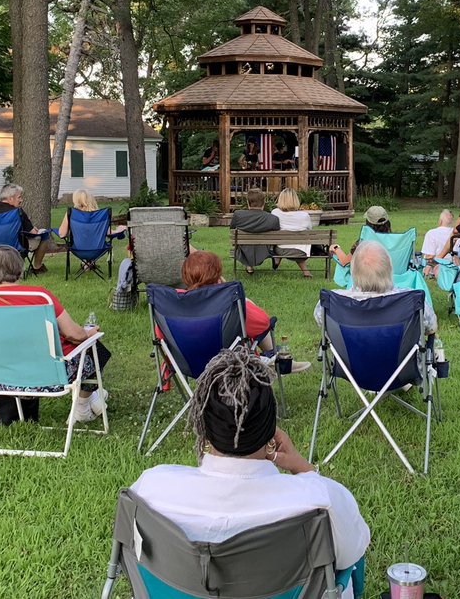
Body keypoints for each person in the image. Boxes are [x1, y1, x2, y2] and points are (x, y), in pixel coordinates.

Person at [129, 350, 369, 599]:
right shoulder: (319, 500)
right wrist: (305, 469)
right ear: (271, 429)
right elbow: (353, 551)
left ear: (203, 426)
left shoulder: (149, 490)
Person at [0, 246, 111, 425]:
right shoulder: (38, 296)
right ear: (18, 269)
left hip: (2, 380)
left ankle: (91, 401)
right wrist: (88, 333)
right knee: (95, 348)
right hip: (49, 378)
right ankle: (83, 406)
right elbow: (74, 334)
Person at [180, 251, 309, 373]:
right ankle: (271, 354)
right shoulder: (230, 305)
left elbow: (162, 338)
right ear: (218, 277)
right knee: (245, 309)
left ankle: (270, 355)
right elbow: (263, 323)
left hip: (187, 363)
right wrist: (227, 292)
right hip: (229, 361)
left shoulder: (175, 305)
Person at [315, 242, 437, 336]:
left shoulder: (331, 302)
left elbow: (322, 323)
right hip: (403, 366)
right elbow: (431, 328)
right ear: (389, 269)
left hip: (348, 367)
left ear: (353, 272)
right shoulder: (412, 301)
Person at [0, 183, 53, 274]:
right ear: (11, 198)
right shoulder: (17, 212)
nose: (21, 200)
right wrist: (34, 230)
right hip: (15, 249)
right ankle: (37, 267)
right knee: (44, 233)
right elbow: (33, 233)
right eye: (19, 197)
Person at [230, 189, 279, 274]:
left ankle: (249, 265)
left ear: (248, 203)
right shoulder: (273, 219)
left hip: (243, 250)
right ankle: (250, 265)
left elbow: (232, 228)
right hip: (264, 251)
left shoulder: (238, 215)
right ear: (263, 203)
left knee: (244, 244)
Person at [271, 188, 314, 278]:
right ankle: (306, 272)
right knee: (298, 244)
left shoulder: (275, 213)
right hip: (302, 252)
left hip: (281, 250)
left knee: (279, 241)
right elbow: (310, 230)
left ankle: (277, 259)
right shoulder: (304, 215)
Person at [56, 189, 126, 241]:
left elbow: (62, 234)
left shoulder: (72, 213)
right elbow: (109, 233)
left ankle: (86, 261)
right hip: (98, 249)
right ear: (91, 199)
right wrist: (119, 230)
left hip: (78, 249)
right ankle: (90, 261)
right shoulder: (100, 215)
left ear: (75, 200)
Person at [421, 210, 455, 278]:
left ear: (440, 221)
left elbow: (429, 256)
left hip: (437, 266)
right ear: (452, 222)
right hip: (455, 266)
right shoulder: (457, 234)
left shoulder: (431, 233)